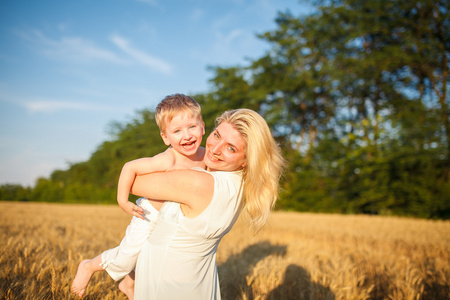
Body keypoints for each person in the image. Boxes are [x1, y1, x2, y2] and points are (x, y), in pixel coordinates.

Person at [129, 108, 285, 299]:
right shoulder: (239, 186)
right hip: (196, 282)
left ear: (246, 160)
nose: (215, 149)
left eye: (231, 148)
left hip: (166, 282)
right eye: (217, 135)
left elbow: (134, 182)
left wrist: (170, 158)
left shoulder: (200, 182)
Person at [71, 94, 206, 299]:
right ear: (165, 138)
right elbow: (130, 167)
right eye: (177, 131)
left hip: (172, 219)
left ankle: (128, 285)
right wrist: (122, 200)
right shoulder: (167, 159)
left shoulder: (205, 157)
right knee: (126, 258)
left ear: (202, 127)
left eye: (192, 127)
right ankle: (88, 266)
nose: (186, 135)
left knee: (150, 257)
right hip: (148, 215)